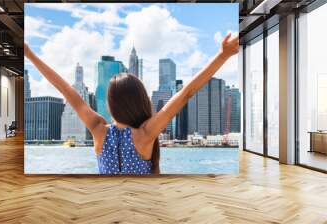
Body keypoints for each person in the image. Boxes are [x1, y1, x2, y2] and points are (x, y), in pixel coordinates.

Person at [24, 32, 239, 175]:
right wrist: (223, 55)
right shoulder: (144, 134)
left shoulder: (99, 130)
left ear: (110, 105)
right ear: (140, 101)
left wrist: (30, 54)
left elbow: (65, 89)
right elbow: (185, 94)